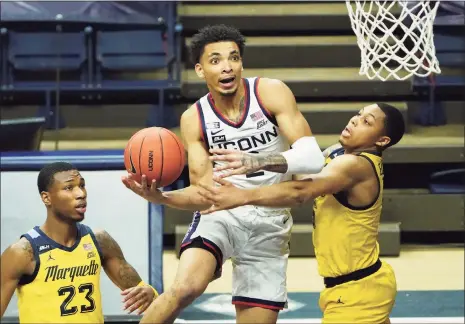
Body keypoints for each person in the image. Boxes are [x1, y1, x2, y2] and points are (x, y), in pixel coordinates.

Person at [121, 24, 325, 324]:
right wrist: (162, 197)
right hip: (222, 214)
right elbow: (203, 193)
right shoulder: (194, 118)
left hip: (270, 223)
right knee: (185, 288)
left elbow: (312, 159)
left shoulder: (270, 92)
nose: (227, 67)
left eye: (233, 58)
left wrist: (258, 161)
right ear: (200, 70)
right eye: (215, 60)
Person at [197, 103, 405, 323]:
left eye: (367, 122)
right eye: (358, 114)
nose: (354, 120)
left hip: (358, 293)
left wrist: (243, 191)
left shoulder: (356, 165)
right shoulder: (337, 153)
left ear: (382, 141)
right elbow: (300, 172)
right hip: (356, 287)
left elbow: (300, 191)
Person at [0, 162, 158, 323]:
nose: (81, 193)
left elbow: (145, 296)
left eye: (82, 186)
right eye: (69, 188)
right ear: (46, 198)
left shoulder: (99, 240)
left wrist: (149, 293)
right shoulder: (23, 252)